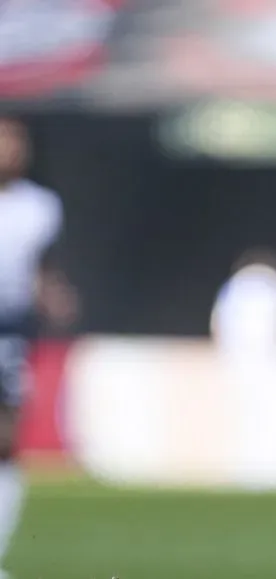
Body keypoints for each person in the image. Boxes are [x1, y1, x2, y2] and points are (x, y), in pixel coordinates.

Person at [0, 117, 77, 579]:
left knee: (6, 439)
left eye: (14, 142)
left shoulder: (40, 207)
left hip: (10, 329)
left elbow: (45, 272)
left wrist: (55, 296)